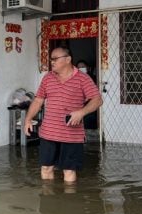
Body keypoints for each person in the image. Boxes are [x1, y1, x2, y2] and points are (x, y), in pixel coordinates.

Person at [24, 46, 102, 183]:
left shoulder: (83, 79)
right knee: (46, 168)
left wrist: (81, 112)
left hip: (71, 134)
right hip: (49, 133)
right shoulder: (48, 78)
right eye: (51, 59)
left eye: (55, 59)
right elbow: (38, 100)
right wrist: (28, 119)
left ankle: (69, 202)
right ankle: (48, 201)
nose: (52, 62)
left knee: (69, 170)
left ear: (68, 59)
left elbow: (97, 100)